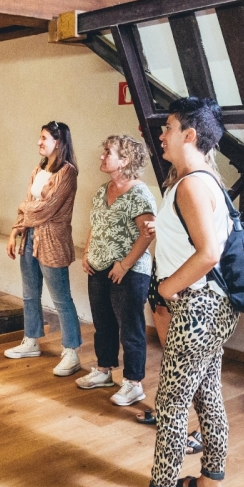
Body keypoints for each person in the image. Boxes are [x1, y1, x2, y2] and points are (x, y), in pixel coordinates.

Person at [106, 97, 239, 487]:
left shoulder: (191, 185)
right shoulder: (205, 180)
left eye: (168, 127)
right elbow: (195, 241)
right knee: (206, 395)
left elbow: (208, 253)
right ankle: (211, 483)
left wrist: (164, 288)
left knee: (171, 403)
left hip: (195, 307)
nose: (161, 135)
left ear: (190, 135)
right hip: (213, 306)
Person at [77, 135, 156, 406]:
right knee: (103, 324)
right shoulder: (103, 190)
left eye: (107, 152)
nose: (101, 156)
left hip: (130, 271)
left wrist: (124, 265)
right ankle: (104, 370)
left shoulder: (139, 193)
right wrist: (87, 253)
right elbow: (95, 226)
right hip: (99, 267)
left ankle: (133, 383)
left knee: (130, 328)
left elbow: (147, 234)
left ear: (125, 160)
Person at [5, 121, 83, 376]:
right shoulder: (39, 168)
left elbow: (44, 210)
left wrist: (23, 209)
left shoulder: (68, 173)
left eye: (44, 138)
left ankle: (71, 352)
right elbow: (31, 203)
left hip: (53, 242)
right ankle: (31, 340)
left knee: (62, 299)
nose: (39, 142)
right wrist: (14, 232)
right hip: (30, 238)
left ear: (58, 142)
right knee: (29, 294)